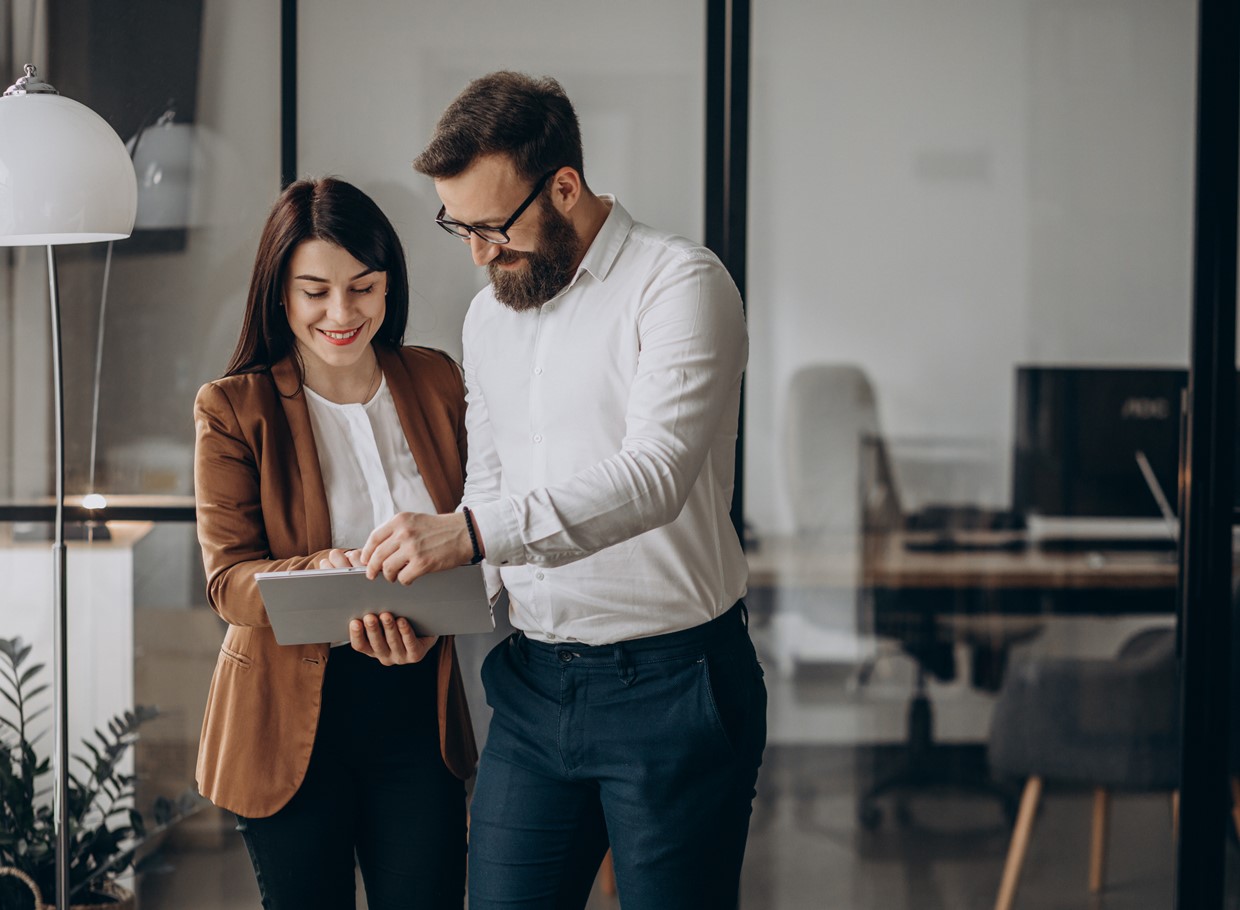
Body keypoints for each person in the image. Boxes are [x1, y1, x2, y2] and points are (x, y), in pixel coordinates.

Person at [348, 72, 766, 909]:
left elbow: (654, 477)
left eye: (493, 226)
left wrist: (467, 534)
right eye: (458, 227)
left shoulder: (680, 285)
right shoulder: (489, 315)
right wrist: (436, 605)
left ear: (565, 187)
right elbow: (493, 479)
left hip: (674, 685)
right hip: (535, 688)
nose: (477, 253)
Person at [192, 177, 476, 910]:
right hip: (286, 723)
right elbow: (228, 584)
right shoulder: (234, 406)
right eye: (314, 291)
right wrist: (320, 568)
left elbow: (482, 528)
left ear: (390, 286)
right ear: (279, 293)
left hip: (417, 712)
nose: (342, 313)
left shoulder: (437, 380)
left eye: (364, 287)